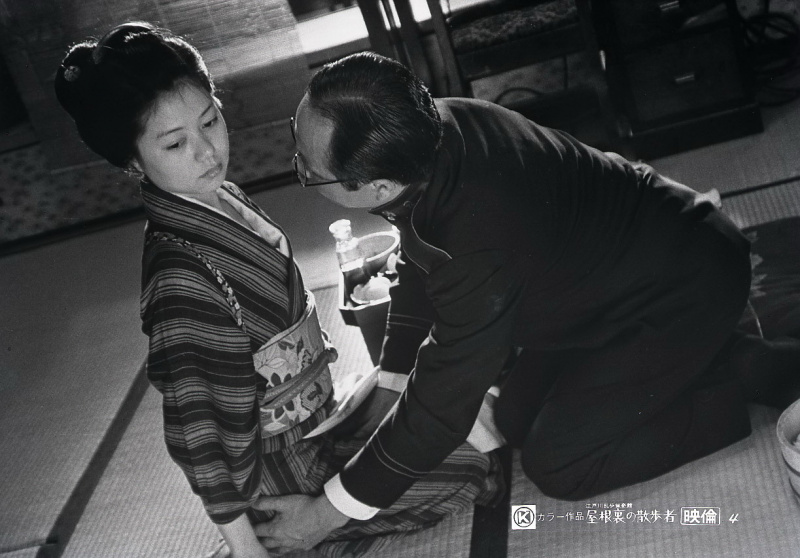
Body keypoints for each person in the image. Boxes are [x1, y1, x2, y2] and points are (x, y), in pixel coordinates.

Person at [263, 50, 800, 549]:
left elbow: (442, 403)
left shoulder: (475, 232)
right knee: (516, 417)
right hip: (613, 280)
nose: (298, 164)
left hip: (681, 289)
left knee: (560, 465)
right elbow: (419, 260)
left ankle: (736, 383)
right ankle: (709, 357)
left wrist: (322, 515)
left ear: (378, 187)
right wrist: (390, 383)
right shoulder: (426, 132)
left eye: (306, 169)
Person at [54, 24, 503, 558]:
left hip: (318, 419)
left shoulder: (224, 198)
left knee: (437, 410)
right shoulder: (181, 281)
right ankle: (293, 528)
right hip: (278, 468)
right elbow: (201, 437)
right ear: (133, 161)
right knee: (470, 469)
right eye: (175, 143)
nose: (206, 152)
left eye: (210, 120)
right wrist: (248, 547)